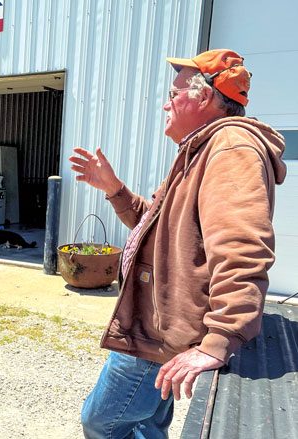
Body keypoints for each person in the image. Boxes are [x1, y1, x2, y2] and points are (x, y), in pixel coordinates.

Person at [71, 49, 286, 438]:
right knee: (147, 424)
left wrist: (219, 340)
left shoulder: (230, 148)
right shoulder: (199, 151)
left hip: (158, 330)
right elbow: (156, 227)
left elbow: (242, 250)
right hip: (158, 324)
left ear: (203, 98)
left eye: (173, 94)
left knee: (100, 421)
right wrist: (115, 189)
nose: (166, 104)